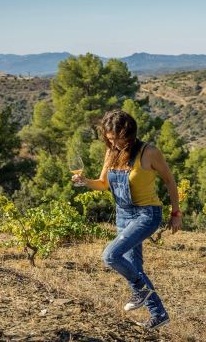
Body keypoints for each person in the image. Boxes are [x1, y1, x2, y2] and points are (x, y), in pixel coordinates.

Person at [72, 110, 182, 330]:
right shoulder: (111, 152)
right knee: (134, 267)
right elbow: (103, 184)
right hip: (122, 213)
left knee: (110, 255)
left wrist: (176, 213)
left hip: (147, 214)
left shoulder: (149, 152)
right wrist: (85, 181)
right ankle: (158, 314)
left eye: (116, 137)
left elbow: (169, 181)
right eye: (109, 138)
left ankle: (141, 291)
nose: (113, 142)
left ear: (129, 133)